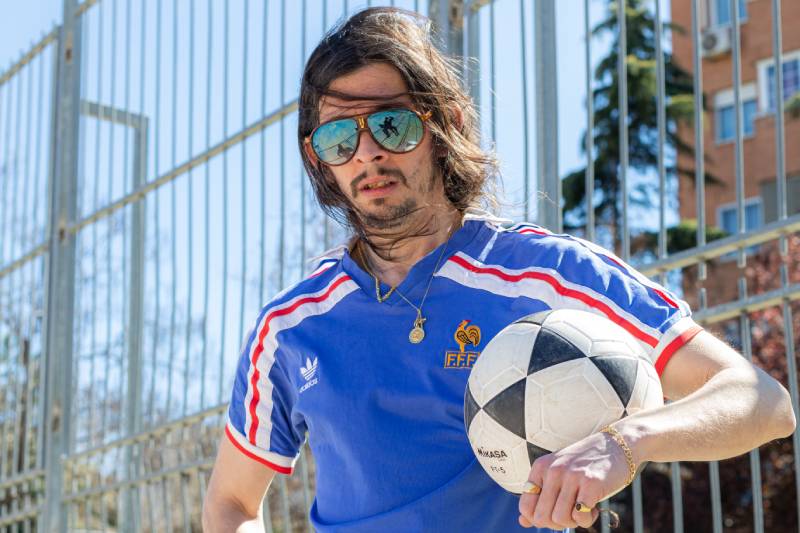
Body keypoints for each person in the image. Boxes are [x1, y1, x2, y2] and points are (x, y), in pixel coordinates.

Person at [202, 7, 796, 532]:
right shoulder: (290, 327)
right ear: (318, 158)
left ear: (447, 125)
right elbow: (231, 502)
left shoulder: (549, 274)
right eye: (338, 139)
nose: (368, 153)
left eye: (391, 124)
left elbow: (763, 403)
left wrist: (625, 443)